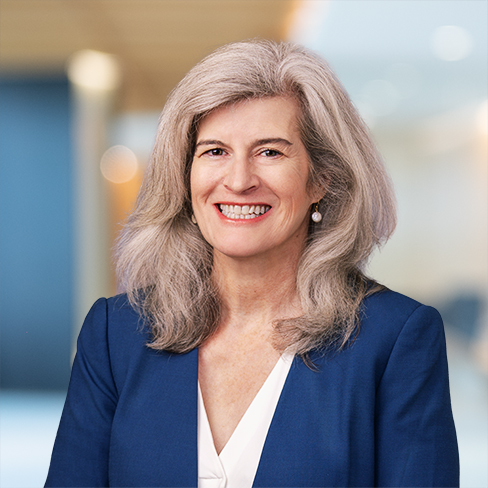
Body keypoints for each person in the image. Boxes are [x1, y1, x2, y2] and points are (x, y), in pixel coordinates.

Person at [45, 40, 459, 487]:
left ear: (322, 178)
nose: (239, 180)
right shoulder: (115, 335)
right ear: (185, 176)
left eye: (270, 152)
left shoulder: (395, 340)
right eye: (215, 151)